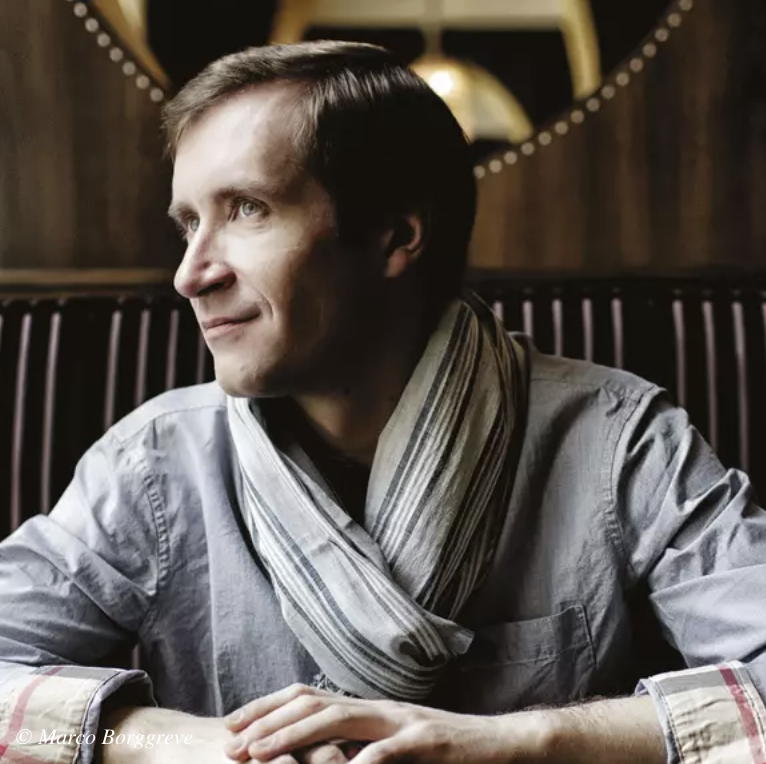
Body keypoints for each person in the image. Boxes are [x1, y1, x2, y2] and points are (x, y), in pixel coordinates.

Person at [1, 40, 765, 764]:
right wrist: (188, 744)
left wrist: (513, 742)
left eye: (248, 209)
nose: (191, 274)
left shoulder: (619, 443)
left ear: (396, 236)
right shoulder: (155, 464)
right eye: (189, 224)